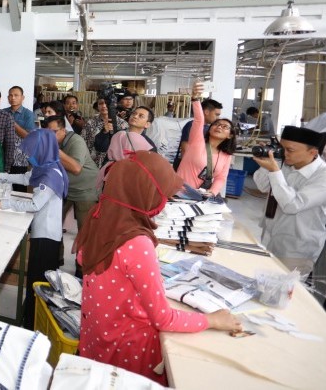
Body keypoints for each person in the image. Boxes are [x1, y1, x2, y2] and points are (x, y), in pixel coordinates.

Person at [75, 151, 241, 384]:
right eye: (164, 196)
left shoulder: (98, 217)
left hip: (98, 342)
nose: (165, 203)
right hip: (129, 355)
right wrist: (212, 321)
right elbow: (163, 319)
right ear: (146, 194)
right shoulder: (137, 243)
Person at [0, 129, 68, 329]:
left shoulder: (51, 175)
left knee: (38, 280)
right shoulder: (46, 166)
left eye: (32, 151)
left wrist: (5, 203)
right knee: (36, 277)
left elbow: (34, 205)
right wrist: (1, 176)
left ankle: (32, 321)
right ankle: (30, 313)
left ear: (42, 149)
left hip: (46, 236)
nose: (30, 156)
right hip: (43, 230)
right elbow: (26, 178)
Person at [253, 126, 326, 277]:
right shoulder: (287, 163)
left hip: (297, 249)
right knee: (262, 282)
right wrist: (268, 164)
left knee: (284, 293)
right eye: (281, 147)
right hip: (270, 237)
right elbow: (263, 186)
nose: (283, 153)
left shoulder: (322, 176)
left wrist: (275, 171)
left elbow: (293, 205)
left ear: (312, 152)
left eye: (289, 150)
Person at [43, 115, 98, 272]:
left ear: (63, 130)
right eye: (47, 133)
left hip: (85, 189)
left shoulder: (76, 141)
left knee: (84, 232)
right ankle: (55, 261)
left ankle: (82, 269)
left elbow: (76, 168)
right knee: (53, 224)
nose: (50, 136)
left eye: (53, 132)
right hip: (65, 187)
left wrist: (55, 151)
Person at [176, 83, 235, 195]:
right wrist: (195, 99)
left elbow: (221, 177)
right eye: (217, 124)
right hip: (179, 192)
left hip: (201, 196)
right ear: (209, 128)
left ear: (230, 135)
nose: (219, 127)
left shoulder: (226, 155)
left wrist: (213, 191)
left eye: (225, 127)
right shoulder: (197, 142)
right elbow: (199, 119)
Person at [173, 97, 222, 169]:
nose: (218, 118)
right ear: (206, 112)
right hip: (187, 167)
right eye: (216, 114)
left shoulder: (208, 128)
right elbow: (185, 148)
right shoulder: (191, 125)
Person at [81, 98, 128, 167]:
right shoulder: (90, 122)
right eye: (101, 103)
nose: (104, 106)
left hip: (114, 164)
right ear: (97, 106)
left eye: (107, 103)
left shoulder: (122, 124)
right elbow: (83, 142)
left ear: (114, 105)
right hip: (92, 163)